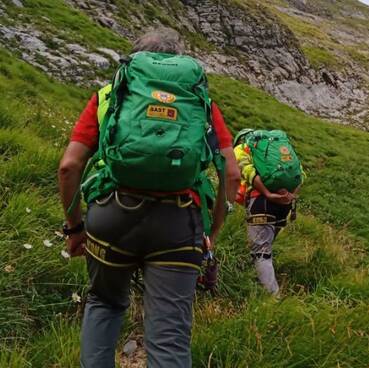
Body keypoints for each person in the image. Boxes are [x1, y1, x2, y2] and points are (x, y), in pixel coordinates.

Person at [57, 27, 240, 367]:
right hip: (178, 223)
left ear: (136, 57)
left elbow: (69, 166)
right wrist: (211, 235)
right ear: (178, 59)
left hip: (112, 216)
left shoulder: (110, 96)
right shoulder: (200, 104)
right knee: (169, 334)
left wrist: (75, 228)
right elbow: (231, 174)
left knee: (105, 303)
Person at [233, 129, 303, 295]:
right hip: (285, 205)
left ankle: (273, 299)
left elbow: (247, 171)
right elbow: (301, 174)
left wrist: (267, 193)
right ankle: (257, 278)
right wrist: (291, 196)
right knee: (266, 246)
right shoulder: (279, 152)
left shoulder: (242, 149)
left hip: (261, 202)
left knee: (261, 253)